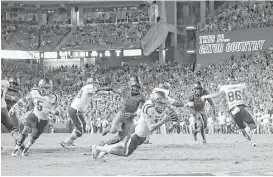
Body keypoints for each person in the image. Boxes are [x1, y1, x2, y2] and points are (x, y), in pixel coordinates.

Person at [91, 91, 178, 159]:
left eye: (163, 103)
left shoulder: (160, 108)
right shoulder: (148, 108)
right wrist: (163, 121)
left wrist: (173, 123)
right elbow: (151, 127)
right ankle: (99, 148)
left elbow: (169, 128)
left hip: (143, 135)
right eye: (160, 103)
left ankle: (105, 148)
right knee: (126, 153)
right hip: (136, 134)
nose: (162, 106)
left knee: (126, 145)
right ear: (155, 101)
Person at [201, 78, 257, 146]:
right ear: (235, 81)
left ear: (228, 81)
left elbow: (216, 95)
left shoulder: (225, 87)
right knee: (252, 124)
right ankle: (248, 131)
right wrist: (248, 104)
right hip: (240, 107)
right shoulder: (240, 86)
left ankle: (251, 142)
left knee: (242, 129)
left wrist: (206, 96)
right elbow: (250, 97)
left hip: (232, 110)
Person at [11, 78, 59, 156]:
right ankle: (16, 149)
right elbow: (24, 100)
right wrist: (14, 107)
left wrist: (52, 111)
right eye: (46, 88)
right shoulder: (34, 92)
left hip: (44, 119)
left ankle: (27, 148)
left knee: (34, 137)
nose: (48, 90)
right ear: (40, 87)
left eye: (49, 88)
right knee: (25, 130)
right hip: (34, 114)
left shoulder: (53, 97)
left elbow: (57, 111)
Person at [60, 77, 111, 148]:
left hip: (77, 110)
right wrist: (107, 88)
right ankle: (67, 141)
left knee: (84, 125)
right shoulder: (89, 87)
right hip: (76, 110)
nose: (97, 84)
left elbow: (98, 92)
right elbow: (97, 90)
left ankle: (70, 141)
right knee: (80, 129)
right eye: (96, 83)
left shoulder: (87, 88)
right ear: (92, 83)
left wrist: (108, 92)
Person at [99, 76, 145, 146]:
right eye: (134, 87)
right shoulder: (126, 90)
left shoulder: (141, 97)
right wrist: (108, 88)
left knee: (120, 138)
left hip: (129, 119)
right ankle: (108, 129)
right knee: (112, 131)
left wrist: (132, 115)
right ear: (131, 87)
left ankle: (104, 143)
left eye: (137, 87)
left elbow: (139, 110)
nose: (136, 89)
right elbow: (114, 90)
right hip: (121, 115)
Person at [1, 76, 23, 151]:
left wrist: (11, 97)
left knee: (16, 127)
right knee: (13, 127)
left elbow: (19, 100)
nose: (12, 85)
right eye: (11, 83)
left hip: (12, 110)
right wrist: (11, 97)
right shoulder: (6, 88)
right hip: (5, 108)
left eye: (13, 83)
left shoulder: (19, 91)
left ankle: (17, 144)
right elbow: (5, 96)